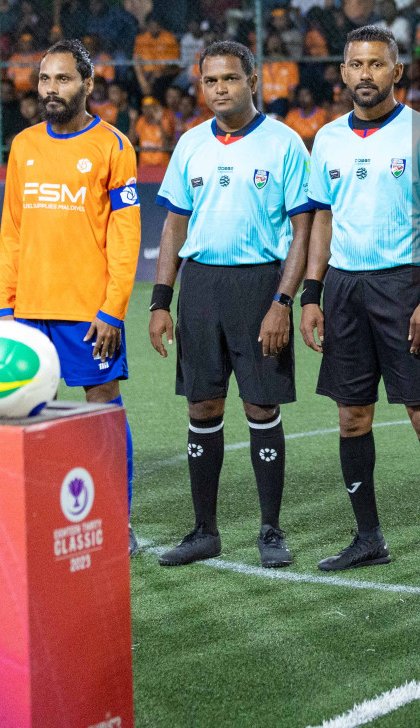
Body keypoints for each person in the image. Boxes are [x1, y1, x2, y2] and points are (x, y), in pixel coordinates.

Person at [299, 26, 420, 578]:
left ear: (397, 71)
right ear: (342, 72)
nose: (365, 74)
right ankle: (368, 538)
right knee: (351, 418)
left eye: (376, 64)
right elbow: (322, 218)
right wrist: (312, 294)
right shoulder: (326, 139)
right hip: (344, 288)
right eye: (355, 65)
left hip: (404, 285)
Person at [149, 42, 315, 570]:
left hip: (259, 286)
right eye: (211, 81)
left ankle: (270, 529)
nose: (220, 89)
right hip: (199, 287)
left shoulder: (284, 144)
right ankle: (204, 530)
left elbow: (301, 231)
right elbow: (175, 224)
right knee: (202, 406)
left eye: (230, 79)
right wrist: (160, 301)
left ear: (253, 80)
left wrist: (282, 302)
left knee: (261, 408)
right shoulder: (190, 144)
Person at [0, 41, 142, 555]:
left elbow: (126, 241)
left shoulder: (114, 146)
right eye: (44, 80)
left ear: (87, 83)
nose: (50, 90)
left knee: (102, 413)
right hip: (29, 312)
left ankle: (116, 520)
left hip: (87, 313)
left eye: (62, 80)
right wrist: (4, 308)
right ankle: (40, 517)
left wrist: (112, 311)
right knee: (26, 416)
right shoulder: (24, 145)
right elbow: (11, 232)